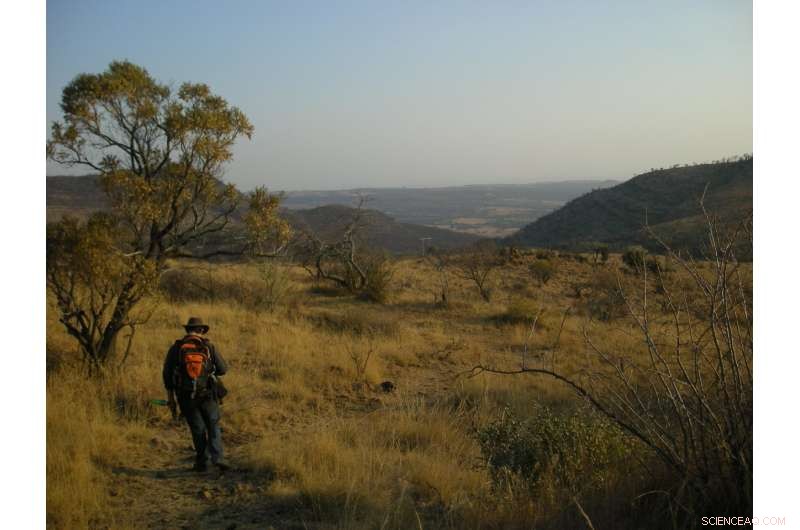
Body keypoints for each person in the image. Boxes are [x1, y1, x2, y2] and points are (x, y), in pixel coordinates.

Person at [162, 317, 229, 472]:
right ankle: (218, 458)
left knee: (198, 429)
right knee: (213, 425)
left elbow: (167, 374)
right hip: (208, 394)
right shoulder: (208, 346)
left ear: (187, 330)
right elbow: (223, 369)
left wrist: (171, 398)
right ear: (201, 330)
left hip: (186, 396)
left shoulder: (177, 348)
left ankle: (202, 462)